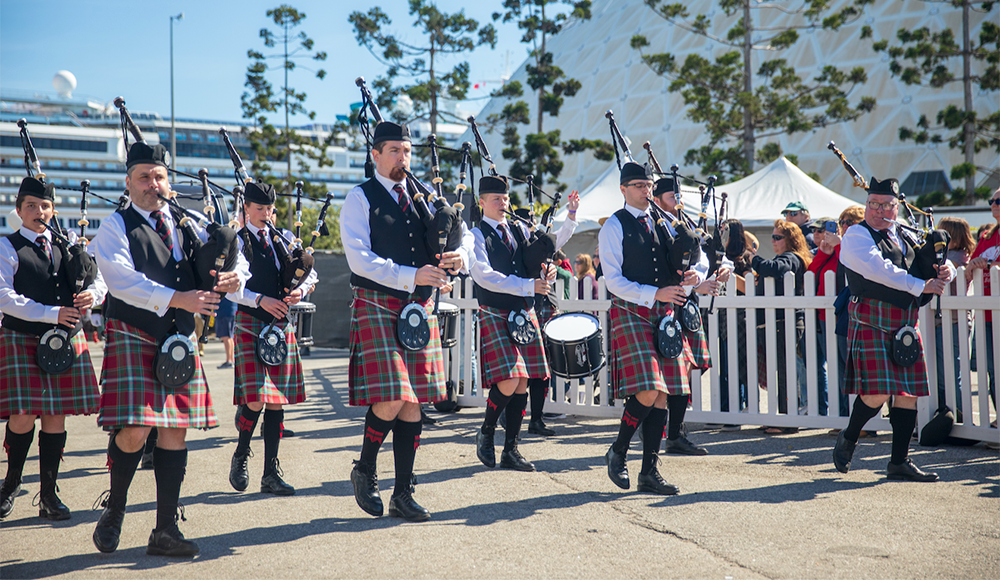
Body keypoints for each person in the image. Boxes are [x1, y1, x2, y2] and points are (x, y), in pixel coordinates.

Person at [90, 142, 249, 555]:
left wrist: (234, 278)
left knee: (175, 431)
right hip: (135, 332)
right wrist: (180, 300)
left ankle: (164, 530)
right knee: (137, 429)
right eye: (144, 177)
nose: (152, 185)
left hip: (179, 338)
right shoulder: (116, 226)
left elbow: (235, 254)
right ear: (128, 183)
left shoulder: (186, 222)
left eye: (159, 177)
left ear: (168, 182)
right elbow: (121, 280)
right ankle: (117, 508)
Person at [341, 121, 472, 522]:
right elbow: (358, 258)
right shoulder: (359, 198)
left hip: (419, 307)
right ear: (375, 155)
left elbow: (463, 234)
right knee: (395, 396)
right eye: (395, 151)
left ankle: (403, 492)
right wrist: (410, 275)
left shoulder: (425, 196)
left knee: (413, 404)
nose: (403, 158)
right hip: (378, 303)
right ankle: (364, 468)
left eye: (407, 151)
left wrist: (458, 258)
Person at [833, 176, 954, 481]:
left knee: (908, 392)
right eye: (872, 204)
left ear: (897, 207)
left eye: (885, 205)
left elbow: (930, 262)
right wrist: (919, 285)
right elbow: (880, 270)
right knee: (877, 392)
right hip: (872, 317)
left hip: (904, 319)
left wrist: (946, 269)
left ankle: (898, 462)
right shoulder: (857, 236)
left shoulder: (905, 234)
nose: (877, 210)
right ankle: (849, 437)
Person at [598, 163, 709, 496]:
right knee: (648, 389)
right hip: (633, 309)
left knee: (662, 394)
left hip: (666, 311)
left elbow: (699, 255)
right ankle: (618, 450)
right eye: (637, 185)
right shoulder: (613, 226)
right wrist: (653, 293)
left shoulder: (669, 221)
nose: (645, 190)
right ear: (623, 189)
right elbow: (613, 280)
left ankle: (649, 472)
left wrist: (695, 276)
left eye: (648, 185)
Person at [0, 177, 107, 521]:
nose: (39, 212)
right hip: (23, 336)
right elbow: (4, 297)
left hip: (65, 339)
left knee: (55, 416)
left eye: (45, 206)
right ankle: (11, 483)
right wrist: (51, 313)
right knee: (22, 415)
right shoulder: (7, 246)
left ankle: (48, 494)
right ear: (18, 211)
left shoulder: (69, 244)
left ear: (53, 210)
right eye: (31, 206)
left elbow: (98, 277)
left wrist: (95, 295)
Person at [226, 181, 319, 497]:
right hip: (252, 322)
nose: (266, 215)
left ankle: (270, 472)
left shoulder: (287, 239)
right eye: (260, 209)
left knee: (276, 399)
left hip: (280, 325)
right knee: (255, 399)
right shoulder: (236, 243)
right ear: (246, 210)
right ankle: (240, 454)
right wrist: (260, 300)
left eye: (270, 209)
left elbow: (311, 276)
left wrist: (299, 291)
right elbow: (231, 289)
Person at [471, 176, 560, 467]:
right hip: (496, 310)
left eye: (506, 199)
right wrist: (526, 286)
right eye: (496, 199)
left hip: (524, 311)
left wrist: (548, 272)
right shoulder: (475, 235)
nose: (502, 204)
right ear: (482, 202)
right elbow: (483, 275)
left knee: (522, 382)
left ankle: (511, 449)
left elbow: (537, 260)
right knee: (510, 379)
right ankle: (486, 431)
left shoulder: (519, 228)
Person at [650, 175, 724, 452]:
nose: (676, 203)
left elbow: (703, 256)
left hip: (685, 305)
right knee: (659, 375)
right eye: (671, 198)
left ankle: (676, 434)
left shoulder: (685, 225)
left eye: (678, 198)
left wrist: (700, 276)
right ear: (657, 200)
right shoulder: (655, 227)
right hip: (663, 305)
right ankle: (653, 430)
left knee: (685, 370)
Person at [752, 220, 812, 432]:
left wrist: (753, 259)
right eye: (773, 236)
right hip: (778, 322)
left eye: (778, 237)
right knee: (781, 372)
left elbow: (775, 268)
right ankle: (784, 417)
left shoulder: (792, 258)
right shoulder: (789, 257)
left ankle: (788, 421)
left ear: (790, 240)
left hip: (784, 322)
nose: (773, 240)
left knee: (786, 371)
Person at [934, 217, 975, 414]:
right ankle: (947, 413)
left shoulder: (958, 257)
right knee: (941, 373)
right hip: (942, 320)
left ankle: (958, 413)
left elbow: (945, 268)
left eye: (943, 234)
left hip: (953, 321)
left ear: (955, 237)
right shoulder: (950, 255)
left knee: (950, 373)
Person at [967, 186, 1000, 417]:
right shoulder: (987, 237)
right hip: (985, 313)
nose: (994, 204)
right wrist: (972, 267)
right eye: (992, 200)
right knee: (991, 371)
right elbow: (969, 270)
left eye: (999, 200)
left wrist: (988, 266)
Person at [805, 217, 841, 417]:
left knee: (840, 367)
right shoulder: (824, 252)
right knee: (828, 364)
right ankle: (834, 411)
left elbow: (848, 268)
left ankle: (843, 412)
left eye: (823, 230)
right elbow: (811, 276)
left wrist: (838, 246)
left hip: (838, 315)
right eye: (816, 231)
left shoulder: (843, 251)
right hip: (821, 316)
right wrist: (823, 253)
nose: (819, 234)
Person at [215, 296, 237, 369]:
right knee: (230, 337)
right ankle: (231, 359)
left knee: (226, 337)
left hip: (224, 312)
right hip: (231, 311)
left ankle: (229, 360)